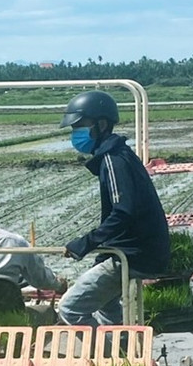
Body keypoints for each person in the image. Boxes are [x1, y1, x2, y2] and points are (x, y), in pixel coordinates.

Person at [57, 90, 170, 325]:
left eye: (81, 126)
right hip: (140, 251)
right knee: (106, 305)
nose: (76, 133)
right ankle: (122, 353)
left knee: (70, 308)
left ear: (101, 124)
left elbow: (123, 211)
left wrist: (84, 244)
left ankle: (107, 358)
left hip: (135, 255)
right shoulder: (118, 154)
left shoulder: (113, 160)